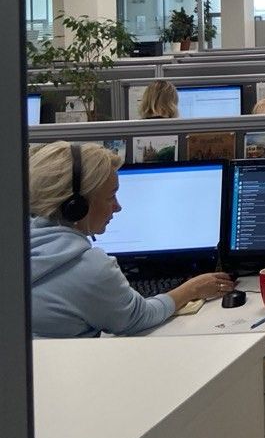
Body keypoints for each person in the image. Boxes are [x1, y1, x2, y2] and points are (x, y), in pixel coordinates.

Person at [28, 141, 234, 338]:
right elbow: (139, 317)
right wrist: (192, 289)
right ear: (76, 206)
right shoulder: (88, 267)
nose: (117, 207)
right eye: (111, 196)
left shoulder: (18, 248)